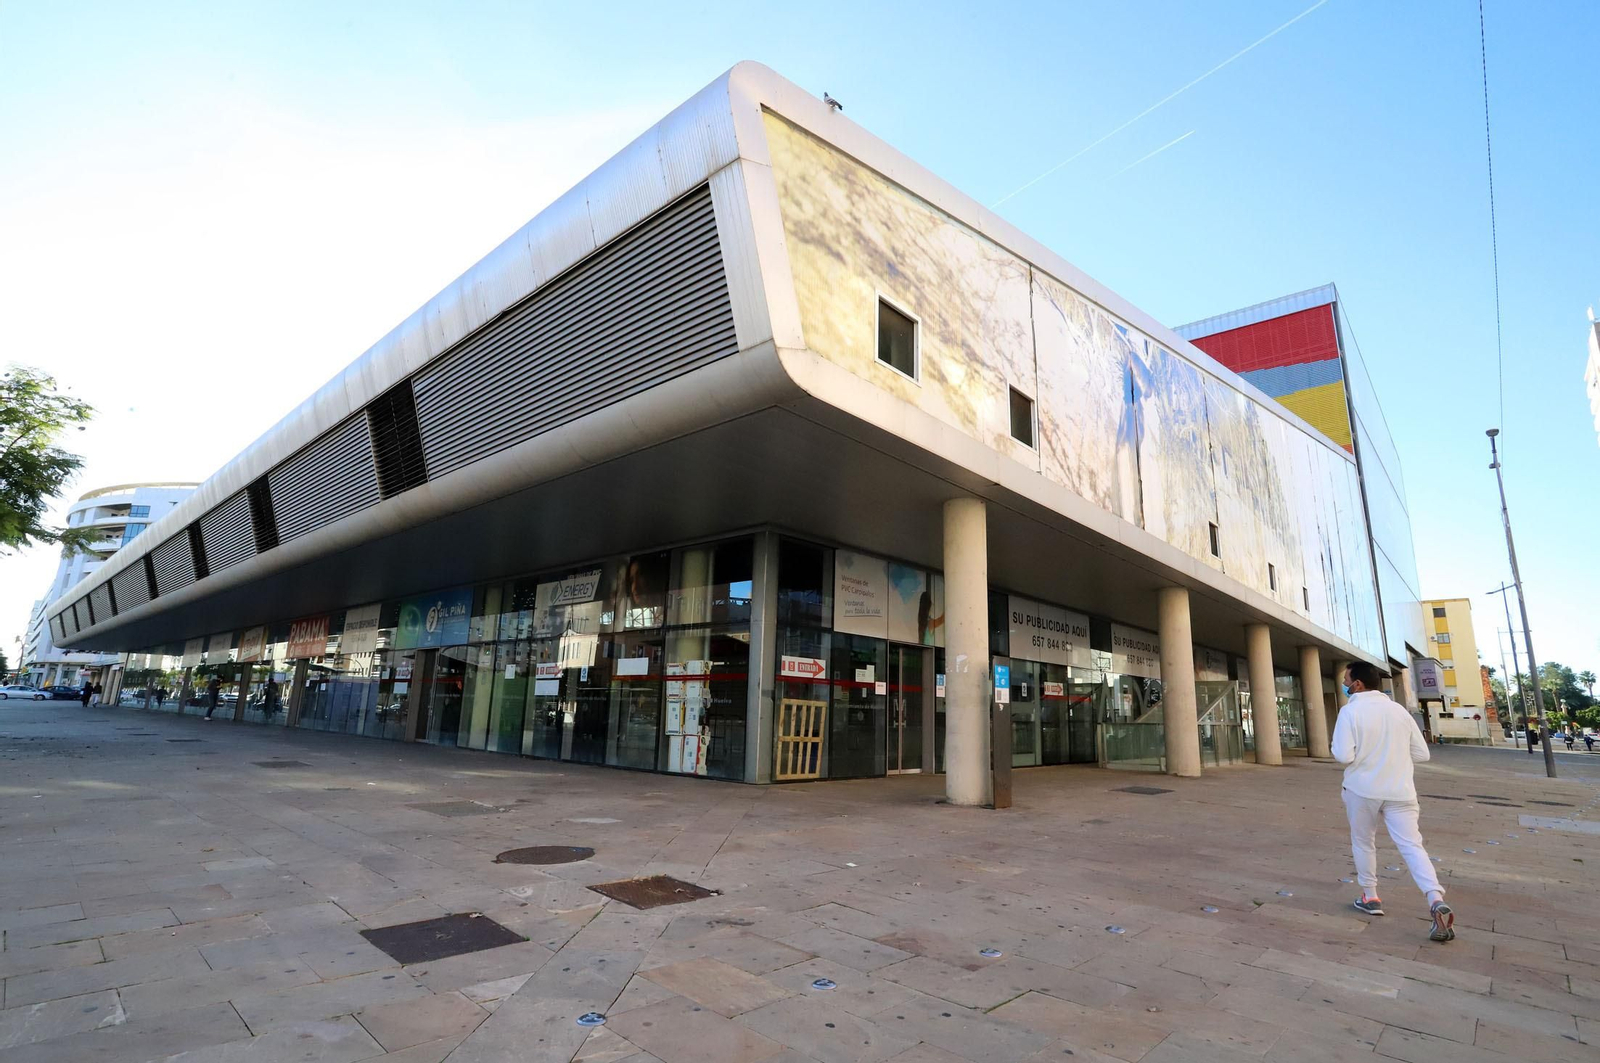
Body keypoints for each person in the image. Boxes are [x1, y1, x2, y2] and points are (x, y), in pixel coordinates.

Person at [1331, 660, 1454, 942]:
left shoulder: (1349, 712)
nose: (1345, 684)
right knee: (1412, 845)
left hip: (1361, 789)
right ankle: (1434, 898)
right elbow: (1422, 754)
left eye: (1347, 679)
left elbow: (1343, 755)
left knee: (1364, 841)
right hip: (1400, 791)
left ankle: (1370, 895)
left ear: (1357, 684)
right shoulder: (1398, 711)